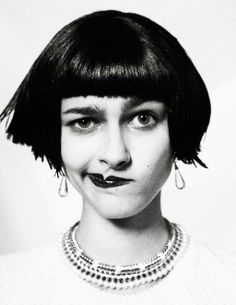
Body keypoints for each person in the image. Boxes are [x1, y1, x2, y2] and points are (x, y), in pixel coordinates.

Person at [0, 9, 235, 305]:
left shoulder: (227, 286)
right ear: (55, 135)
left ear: (180, 127)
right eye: (84, 122)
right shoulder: (8, 288)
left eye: (143, 119)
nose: (115, 155)